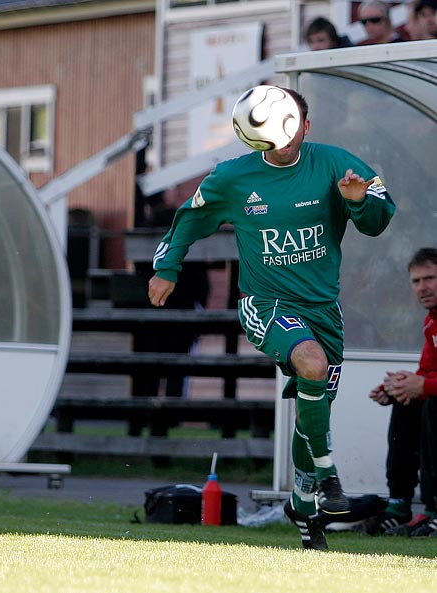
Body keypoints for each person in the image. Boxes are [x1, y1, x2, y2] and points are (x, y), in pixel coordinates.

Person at [148, 87, 395, 550]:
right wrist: (167, 268)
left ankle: (303, 506)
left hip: (323, 311)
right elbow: (186, 219)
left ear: (305, 125)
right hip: (266, 305)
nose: (281, 133)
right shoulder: (232, 177)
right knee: (312, 364)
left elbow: (379, 222)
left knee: (311, 411)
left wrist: (360, 201)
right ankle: (329, 476)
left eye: (291, 122)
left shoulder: (337, 164)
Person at [367, 248, 437, 537]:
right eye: (416, 281)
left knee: (432, 402)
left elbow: (429, 382)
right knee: (406, 401)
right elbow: (427, 372)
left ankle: (433, 509)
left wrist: (424, 386)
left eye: (431, 278)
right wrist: (395, 387)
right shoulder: (431, 321)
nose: (423, 287)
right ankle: (399, 504)